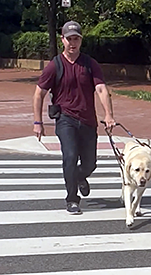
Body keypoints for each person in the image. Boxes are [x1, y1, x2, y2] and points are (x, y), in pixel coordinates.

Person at [33, 20, 116, 215]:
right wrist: (38, 122)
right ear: (62, 40)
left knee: (90, 164)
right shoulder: (55, 66)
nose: (73, 43)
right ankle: (72, 199)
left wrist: (109, 115)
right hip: (65, 119)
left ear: (81, 40)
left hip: (88, 120)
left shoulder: (90, 64)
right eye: (69, 39)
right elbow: (39, 94)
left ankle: (79, 176)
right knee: (70, 157)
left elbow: (101, 89)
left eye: (76, 39)